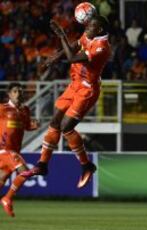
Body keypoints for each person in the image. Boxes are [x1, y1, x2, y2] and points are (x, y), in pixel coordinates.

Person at [21, 16, 111, 189]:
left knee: (66, 127)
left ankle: (86, 166)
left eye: (91, 26)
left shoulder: (102, 48)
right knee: (55, 122)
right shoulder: (89, 35)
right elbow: (74, 47)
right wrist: (52, 59)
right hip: (74, 84)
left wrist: (61, 35)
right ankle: (42, 164)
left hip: (87, 90)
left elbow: (72, 57)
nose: (86, 28)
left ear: (99, 29)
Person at [0, 83, 40, 217]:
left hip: (15, 150)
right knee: (25, 171)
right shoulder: (2, 108)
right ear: (9, 94)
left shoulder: (25, 110)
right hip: (4, 150)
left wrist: (34, 126)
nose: (19, 94)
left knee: (2, 179)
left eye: (21, 91)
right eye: (16, 91)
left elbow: (27, 126)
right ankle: (7, 198)